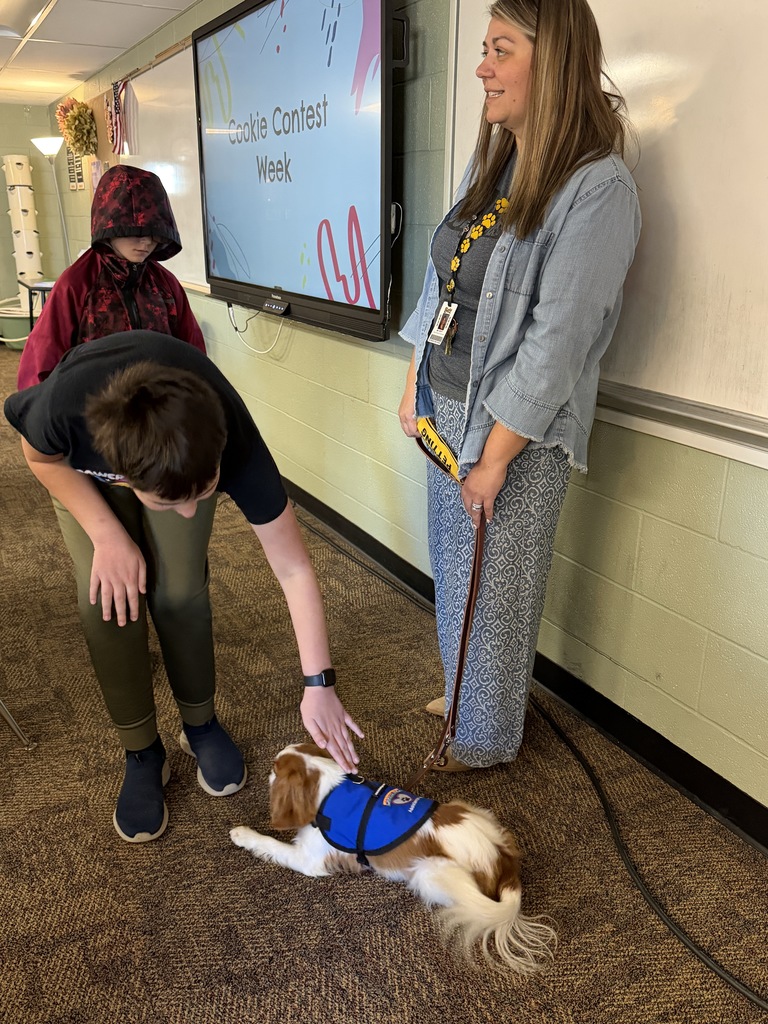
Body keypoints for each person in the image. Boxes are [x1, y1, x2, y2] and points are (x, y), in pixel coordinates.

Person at [398, 0, 641, 770]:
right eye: (484, 48)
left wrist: (497, 454)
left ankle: (484, 737)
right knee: (454, 568)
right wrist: (415, 383)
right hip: (448, 403)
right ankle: (462, 689)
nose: (482, 68)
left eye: (501, 49)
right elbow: (441, 278)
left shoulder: (600, 191)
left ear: (555, 61)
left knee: (495, 595)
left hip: (514, 429)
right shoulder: (494, 160)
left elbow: (557, 342)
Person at [5, 331, 363, 842]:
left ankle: (200, 725)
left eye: (206, 490)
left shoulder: (231, 439)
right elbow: (39, 458)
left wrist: (319, 685)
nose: (192, 510)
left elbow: (294, 569)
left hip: (172, 460)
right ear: (126, 478)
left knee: (179, 591)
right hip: (80, 473)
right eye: (174, 501)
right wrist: (108, 537)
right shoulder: (62, 408)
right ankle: (142, 751)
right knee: (107, 603)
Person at [17, 163, 205, 389]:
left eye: (154, 234)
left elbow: (194, 354)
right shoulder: (76, 285)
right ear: (111, 226)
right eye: (135, 232)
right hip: (92, 415)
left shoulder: (166, 285)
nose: (146, 242)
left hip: (158, 413)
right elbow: (41, 364)